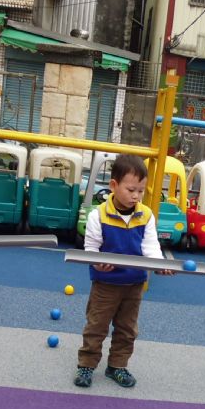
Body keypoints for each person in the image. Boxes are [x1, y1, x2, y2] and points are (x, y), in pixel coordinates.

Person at [74, 154, 172, 389]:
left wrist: (160, 264)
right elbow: (91, 248)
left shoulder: (145, 215)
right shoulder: (98, 214)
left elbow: (151, 247)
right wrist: (97, 263)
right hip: (105, 284)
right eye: (131, 190)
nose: (136, 196)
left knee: (127, 329)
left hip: (134, 284)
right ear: (114, 185)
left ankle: (117, 365)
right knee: (96, 325)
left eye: (141, 191)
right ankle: (86, 364)